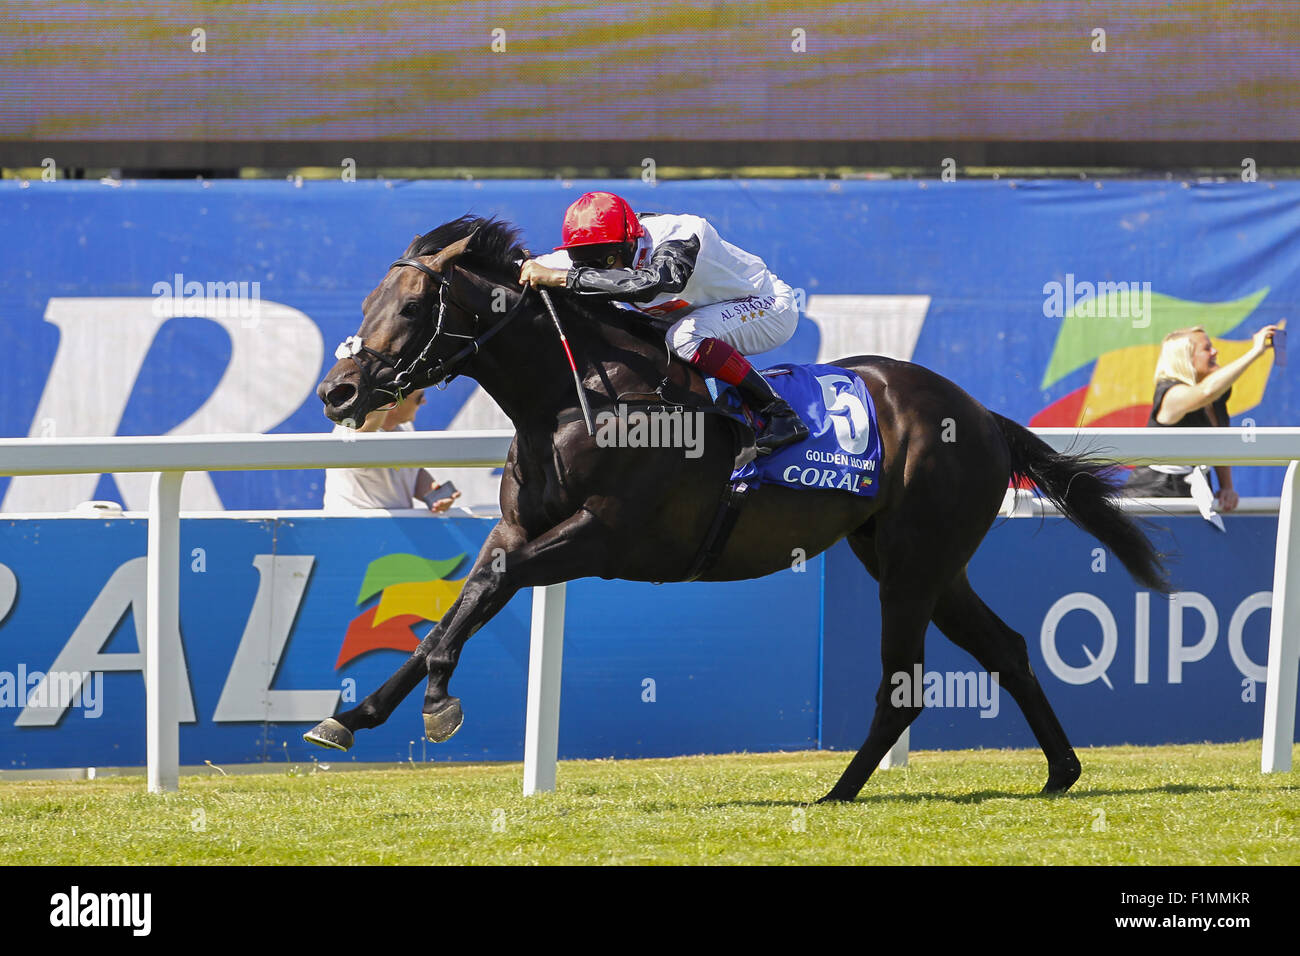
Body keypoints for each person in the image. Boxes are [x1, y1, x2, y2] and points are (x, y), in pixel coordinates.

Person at [518, 191, 810, 454]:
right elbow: (522, 270)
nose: (592, 268)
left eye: (604, 260)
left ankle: (779, 413)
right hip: (706, 314)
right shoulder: (600, 248)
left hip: (768, 307)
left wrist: (568, 278)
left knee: (683, 338)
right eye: (580, 260)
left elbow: (654, 284)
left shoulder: (679, 235)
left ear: (630, 241)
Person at [1124, 324, 1278, 511]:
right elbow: (1205, 391)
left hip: (1192, 495)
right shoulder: (1171, 394)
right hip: (1150, 500)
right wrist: (1255, 352)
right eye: (1206, 348)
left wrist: (1227, 488)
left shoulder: (1216, 398)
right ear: (1185, 358)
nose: (1215, 351)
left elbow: (1219, 444)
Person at [322, 389, 462, 513]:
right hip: (351, 528)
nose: (424, 401)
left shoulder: (405, 427)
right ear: (392, 404)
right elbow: (359, 438)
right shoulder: (350, 427)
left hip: (393, 528)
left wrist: (433, 493)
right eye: (419, 397)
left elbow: (413, 471)